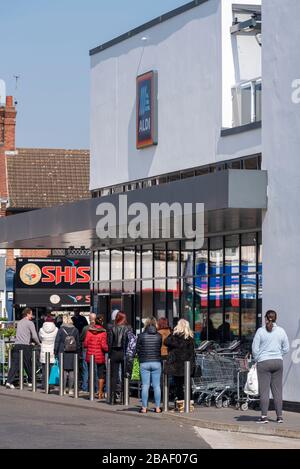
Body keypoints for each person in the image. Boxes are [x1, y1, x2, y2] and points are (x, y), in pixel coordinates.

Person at [252, 310, 290, 424]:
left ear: (265, 318)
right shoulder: (281, 331)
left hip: (264, 363)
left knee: (264, 391)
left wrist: (258, 359)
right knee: (277, 391)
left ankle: (264, 417)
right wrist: (278, 355)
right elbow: (286, 348)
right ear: (275, 318)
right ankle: (279, 417)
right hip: (278, 362)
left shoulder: (260, 331)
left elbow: (255, 349)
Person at [6, 308, 41, 389]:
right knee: (28, 364)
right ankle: (30, 381)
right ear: (27, 314)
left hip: (16, 345)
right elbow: (34, 336)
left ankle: (8, 382)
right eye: (31, 314)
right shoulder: (30, 323)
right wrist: (39, 343)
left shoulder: (19, 322)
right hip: (25, 346)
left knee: (15, 365)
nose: (32, 316)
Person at [165, 319, 195, 406]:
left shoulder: (175, 337)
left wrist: (173, 332)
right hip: (187, 365)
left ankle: (181, 401)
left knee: (178, 384)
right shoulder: (190, 337)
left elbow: (166, 341)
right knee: (187, 384)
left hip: (176, 365)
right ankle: (189, 401)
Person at [136, 317, 162, 414]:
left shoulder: (141, 336)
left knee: (145, 386)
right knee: (156, 386)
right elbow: (158, 348)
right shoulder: (159, 336)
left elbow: (137, 349)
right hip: (156, 362)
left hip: (144, 362)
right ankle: (158, 408)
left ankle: (144, 408)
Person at [108, 311, 132, 404]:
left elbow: (109, 342)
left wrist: (109, 354)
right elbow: (130, 342)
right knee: (124, 375)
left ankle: (112, 399)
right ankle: (124, 398)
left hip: (114, 352)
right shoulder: (128, 328)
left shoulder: (112, 328)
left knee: (114, 376)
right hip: (124, 352)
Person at [54, 313, 80, 396]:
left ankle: (63, 389)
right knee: (72, 371)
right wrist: (77, 352)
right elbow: (78, 342)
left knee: (63, 371)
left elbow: (57, 341)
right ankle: (71, 389)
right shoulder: (75, 330)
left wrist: (55, 351)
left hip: (62, 352)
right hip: (73, 353)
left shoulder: (61, 329)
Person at [83, 316, 108, 400]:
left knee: (91, 374)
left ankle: (91, 393)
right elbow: (104, 346)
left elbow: (85, 344)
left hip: (90, 355)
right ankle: (100, 393)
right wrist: (108, 349)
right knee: (100, 374)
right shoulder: (103, 332)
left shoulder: (89, 331)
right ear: (102, 323)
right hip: (99, 355)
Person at [38, 315, 58, 390]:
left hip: (44, 349)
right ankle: (51, 385)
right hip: (52, 349)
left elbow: (40, 338)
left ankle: (44, 384)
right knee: (52, 368)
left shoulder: (41, 329)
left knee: (44, 368)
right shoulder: (56, 329)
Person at [80, 312, 97, 393]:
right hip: (96, 350)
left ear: (90, 319)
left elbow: (81, 338)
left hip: (86, 350)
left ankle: (85, 387)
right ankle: (96, 388)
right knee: (96, 369)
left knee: (85, 369)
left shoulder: (85, 328)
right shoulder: (99, 328)